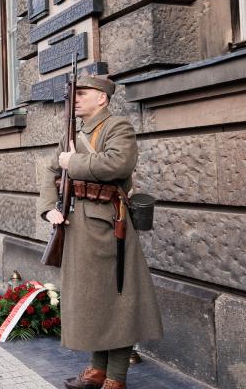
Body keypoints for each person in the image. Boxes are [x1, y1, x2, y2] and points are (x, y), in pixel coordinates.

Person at [37, 75, 163, 389]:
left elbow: (118, 165)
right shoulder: (73, 132)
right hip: (77, 224)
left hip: (110, 224)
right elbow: (50, 169)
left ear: (102, 99)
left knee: (117, 300)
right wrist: (49, 207)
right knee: (93, 300)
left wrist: (73, 161)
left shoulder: (117, 127)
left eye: (83, 93)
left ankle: (115, 377)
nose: (75, 99)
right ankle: (96, 369)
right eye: (73, 94)